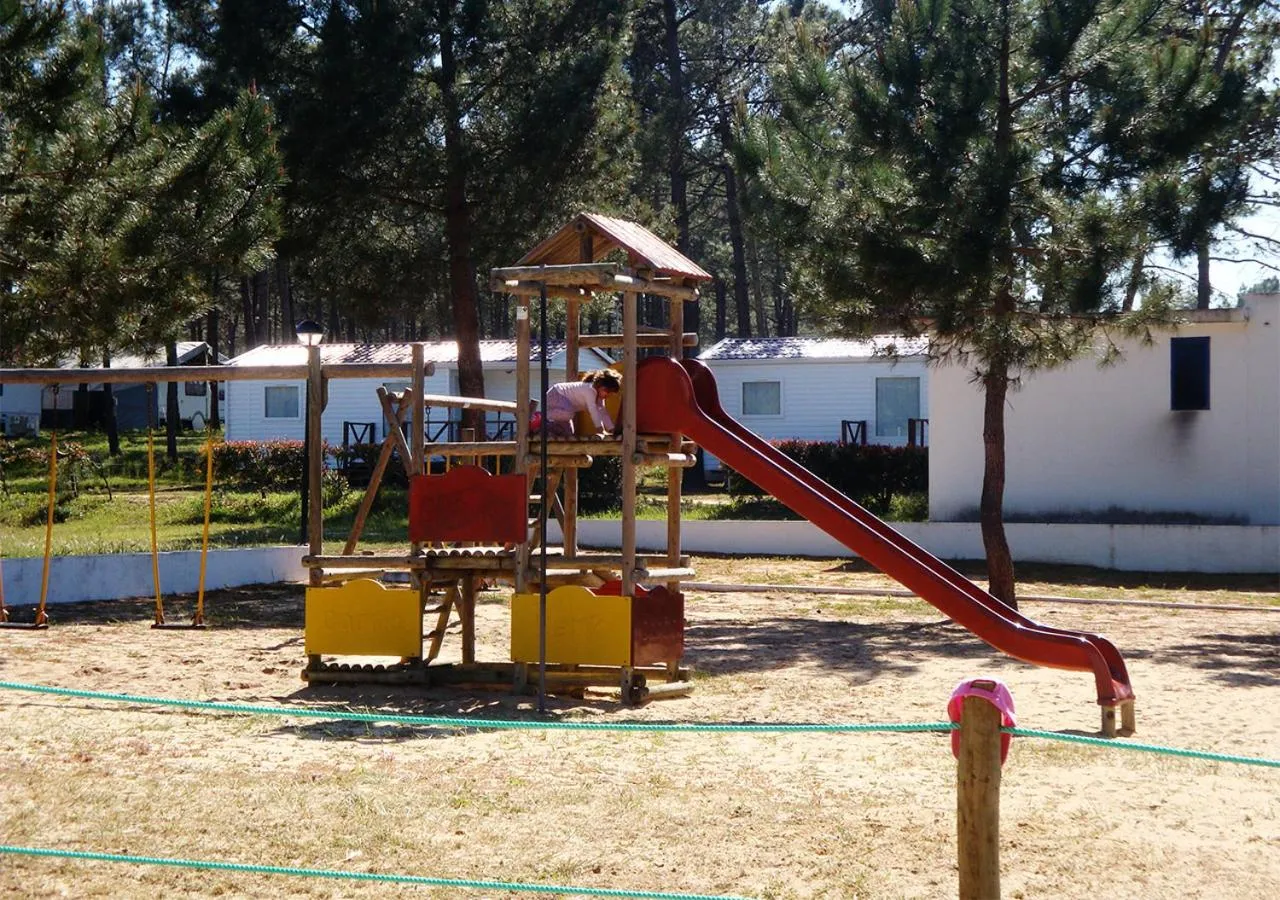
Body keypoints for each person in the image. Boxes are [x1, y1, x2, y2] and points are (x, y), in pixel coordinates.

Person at [541, 369, 622, 438]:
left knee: (568, 435)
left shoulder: (599, 398)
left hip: (563, 406)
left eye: (610, 393)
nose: (607, 395)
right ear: (599, 386)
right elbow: (593, 411)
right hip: (556, 394)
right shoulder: (589, 390)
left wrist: (612, 430)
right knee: (568, 414)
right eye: (607, 391)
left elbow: (603, 413)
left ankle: (550, 429)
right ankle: (543, 426)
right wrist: (600, 430)